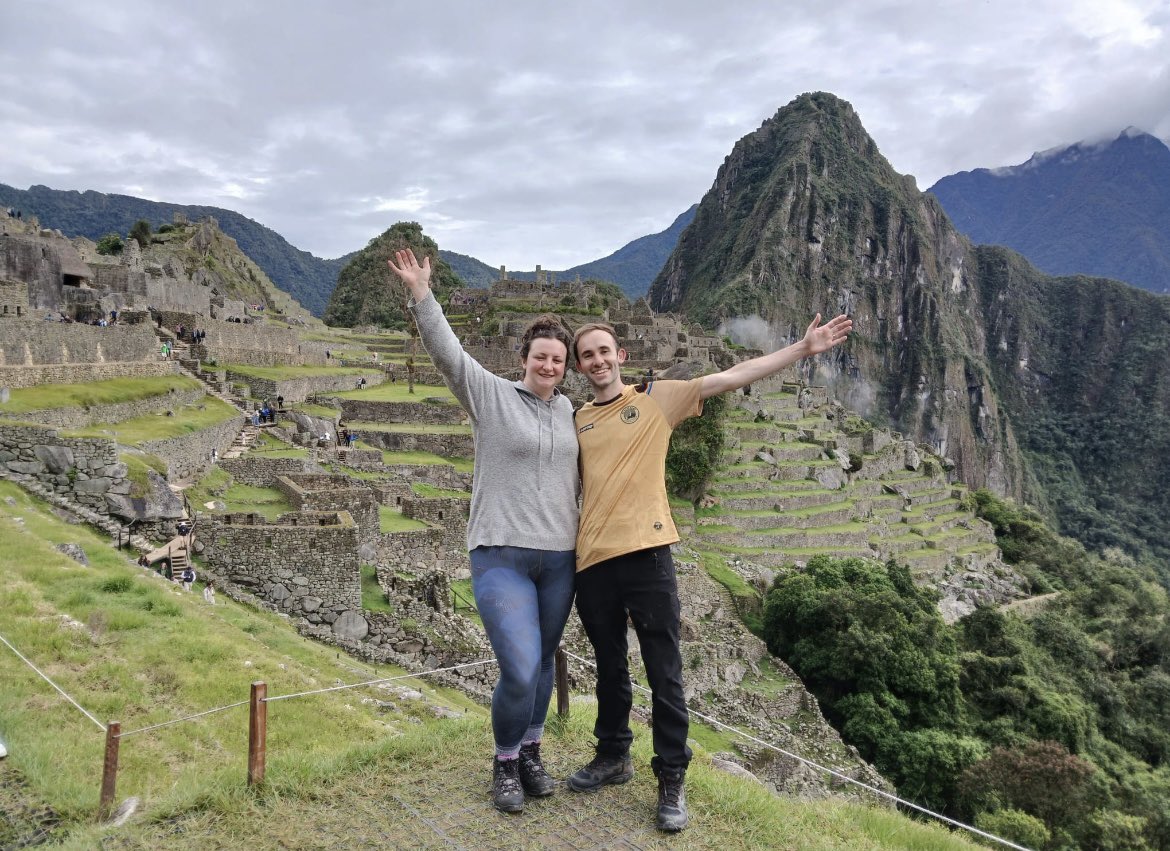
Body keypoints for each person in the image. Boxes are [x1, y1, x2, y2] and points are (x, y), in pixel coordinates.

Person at [567, 311, 853, 831]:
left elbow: (733, 376)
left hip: (648, 555)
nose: (598, 361)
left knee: (664, 674)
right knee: (609, 667)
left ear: (620, 356)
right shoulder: (578, 419)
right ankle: (612, 756)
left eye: (604, 351)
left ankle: (671, 778)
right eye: (588, 355)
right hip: (592, 562)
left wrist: (802, 349)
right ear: (579, 365)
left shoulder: (656, 398)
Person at [388, 247, 579, 815]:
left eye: (557, 361)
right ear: (524, 358)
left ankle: (531, 751)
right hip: (500, 553)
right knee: (519, 666)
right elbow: (448, 355)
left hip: (560, 558)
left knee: (545, 662)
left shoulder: (572, 414)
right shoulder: (491, 395)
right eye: (541, 357)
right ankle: (502, 761)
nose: (549, 367)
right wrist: (422, 294)